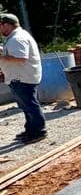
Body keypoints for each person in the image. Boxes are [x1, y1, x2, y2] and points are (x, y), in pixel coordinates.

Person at [0, 12, 46, 144]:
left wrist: (1, 57)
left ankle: (39, 131)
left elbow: (21, 57)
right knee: (26, 105)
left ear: (6, 25)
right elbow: (15, 53)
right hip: (20, 77)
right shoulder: (14, 37)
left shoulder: (17, 38)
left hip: (23, 78)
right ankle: (30, 130)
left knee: (31, 105)